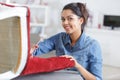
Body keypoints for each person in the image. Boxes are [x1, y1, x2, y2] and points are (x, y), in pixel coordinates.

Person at [30, 2, 102, 80]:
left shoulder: (93, 45)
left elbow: (97, 79)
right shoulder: (59, 38)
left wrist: (77, 65)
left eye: (70, 18)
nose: (65, 23)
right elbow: (39, 49)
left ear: (81, 20)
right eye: (63, 19)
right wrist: (31, 50)